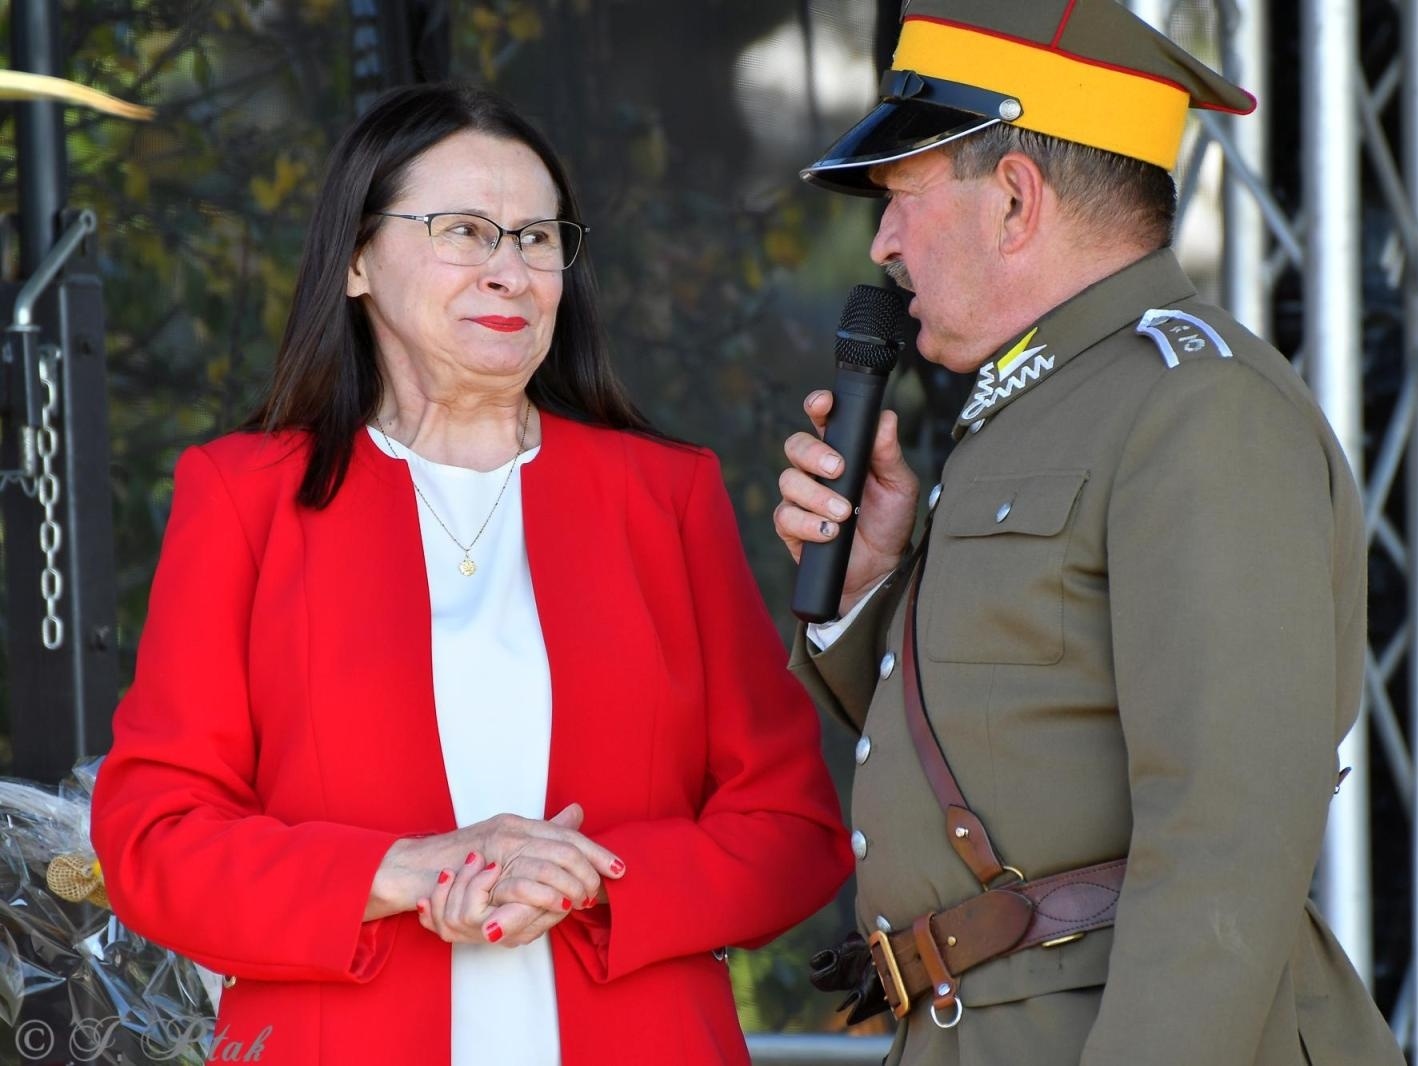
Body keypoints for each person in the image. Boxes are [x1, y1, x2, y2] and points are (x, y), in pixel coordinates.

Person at [91, 82, 852, 1066]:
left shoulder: (664, 495)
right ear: (358, 259)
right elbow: (156, 840)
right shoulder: (243, 496)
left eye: (537, 239)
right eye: (465, 231)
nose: (510, 270)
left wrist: (595, 878)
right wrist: (398, 870)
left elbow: (791, 828)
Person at [774, 2, 1408, 1064]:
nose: (881, 243)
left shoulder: (1199, 404)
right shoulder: (1044, 398)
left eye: (900, 199)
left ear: (1016, 199)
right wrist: (866, 592)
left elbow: (1225, 840)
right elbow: (1014, 733)